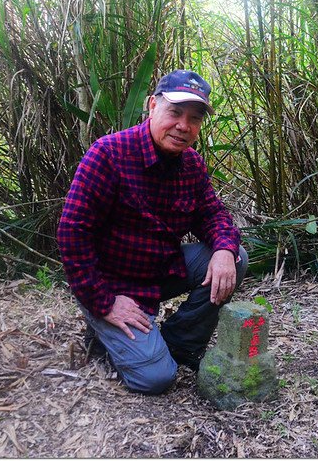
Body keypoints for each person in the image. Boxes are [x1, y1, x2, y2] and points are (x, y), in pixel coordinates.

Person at [57, 69, 248, 395]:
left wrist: (224, 250)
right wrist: (104, 302)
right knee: (156, 379)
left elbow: (213, 214)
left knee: (235, 257)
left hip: (158, 270)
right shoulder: (109, 155)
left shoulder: (191, 164)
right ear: (151, 106)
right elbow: (72, 234)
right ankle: (105, 333)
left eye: (194, 118)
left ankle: (179, 343)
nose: (183, 126)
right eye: (175, 112)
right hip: (111, 283)